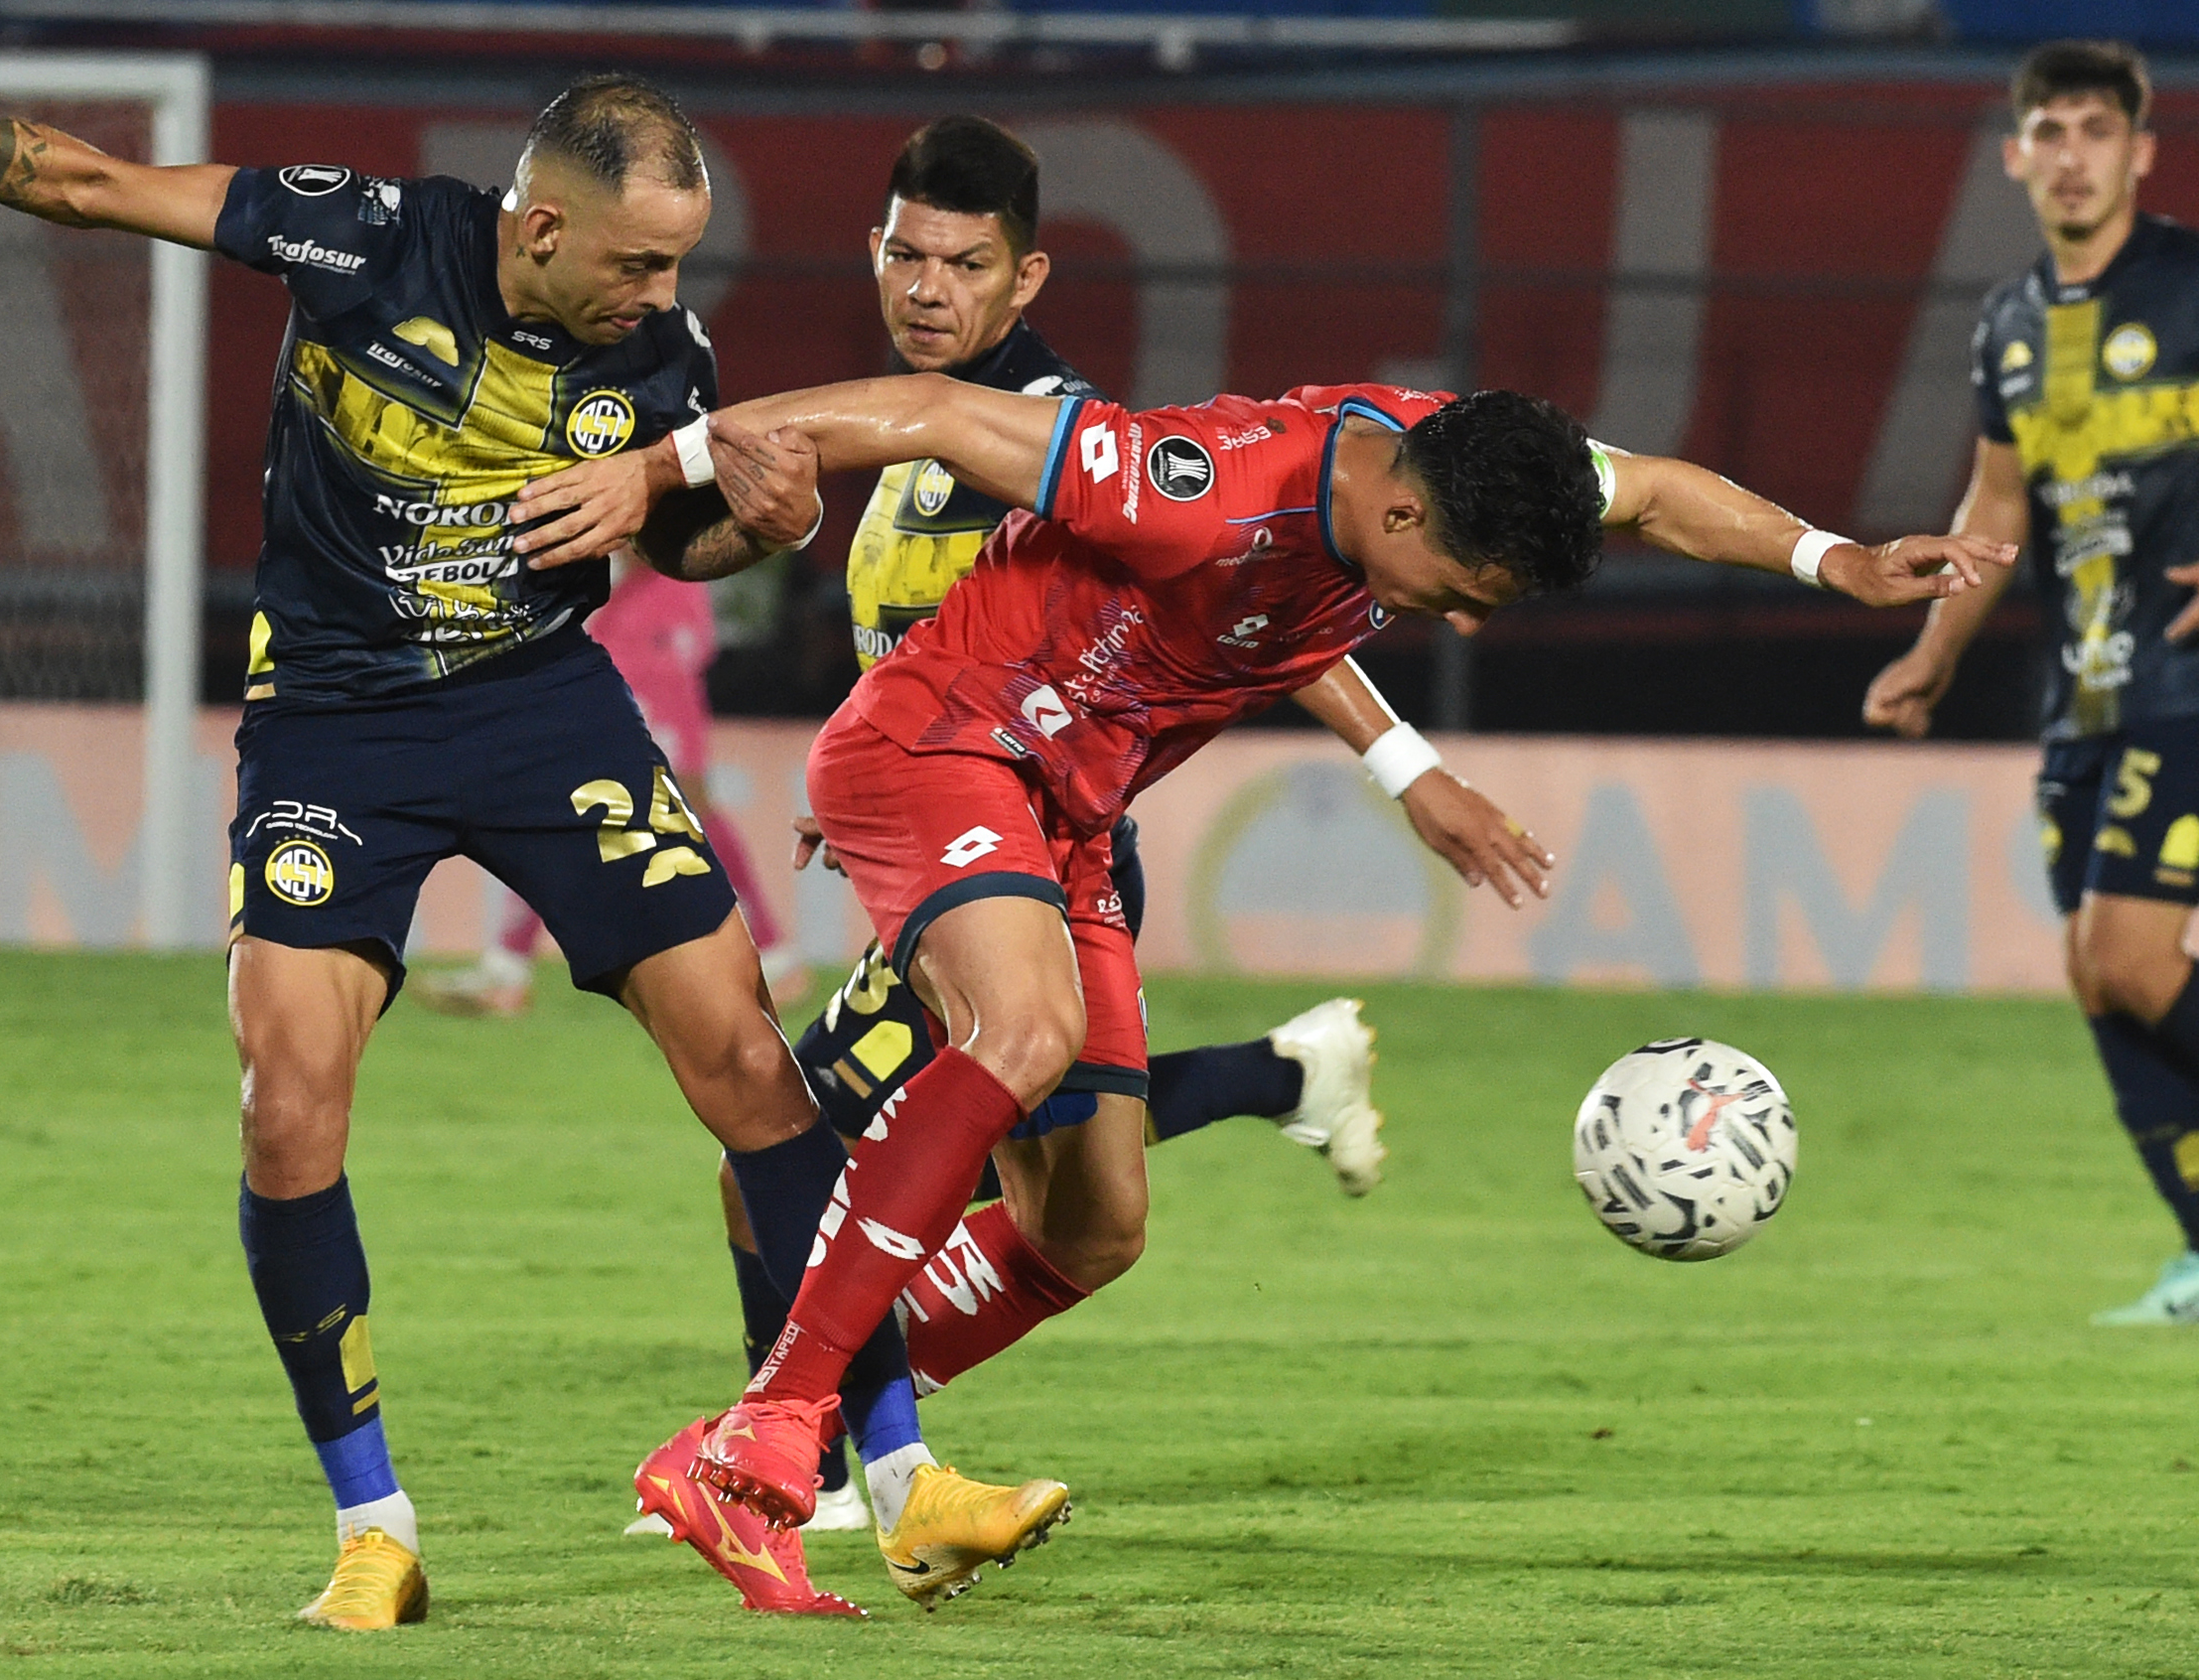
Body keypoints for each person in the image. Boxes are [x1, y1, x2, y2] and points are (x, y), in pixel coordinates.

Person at [515, 359, 2011, 1531]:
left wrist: (1833, 560)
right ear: (1406, 521)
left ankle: (765, 1432)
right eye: (1459, 595)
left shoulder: (1450, 453)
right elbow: (918, 415)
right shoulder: (1195, 485)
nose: (1459, 624)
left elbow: (1657, 496)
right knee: (1019, 1035)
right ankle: (786, 1418)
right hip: (950, 744)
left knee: (1091, 1225)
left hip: (1066, 815)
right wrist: (658, 465)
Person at [0, 62, 875, 1623]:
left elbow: (676, 539)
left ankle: (875, 1472)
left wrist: (753, 531)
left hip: (541, 712)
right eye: (639, 258)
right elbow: (94, 186)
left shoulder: (661, 357)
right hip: (334, 726)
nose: (664, 289)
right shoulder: (356, 239)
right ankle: (374, 1530)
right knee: (286, 1105)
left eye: (677, 260)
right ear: (542, 223)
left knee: (751, 1064)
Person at [642, 115, 1555, 1611]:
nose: (927, 287)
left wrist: (1402, 764)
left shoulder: (1039, 433)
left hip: (1028, 813)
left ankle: (804, 1449)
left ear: (1026, 277)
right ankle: (849, 1466)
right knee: (1006, 1183)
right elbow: (960, 626)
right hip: (958, 797)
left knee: (863, 1169)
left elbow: (1251, 606)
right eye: (904, 253)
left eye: (964, 263)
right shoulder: (918, 423)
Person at [1865, 41, 2199, 1327]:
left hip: (2185, 683)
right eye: (2046, 133)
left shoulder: (2184, 281)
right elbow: (1997, 500)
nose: (2069, 156)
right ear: (2014, 156)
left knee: (2122, 954)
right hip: (2087, 693)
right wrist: (1930, 654)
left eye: (2091, 133)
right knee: (2092, 969)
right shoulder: (2007, 323)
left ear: (2137, 152)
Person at [410, 550, 810, 1018]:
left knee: (684, 799)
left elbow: (650, 525)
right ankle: (506, 968)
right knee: (561, 798)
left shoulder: (659, 516)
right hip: (619, 634)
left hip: (657, 640)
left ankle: (776, 957)